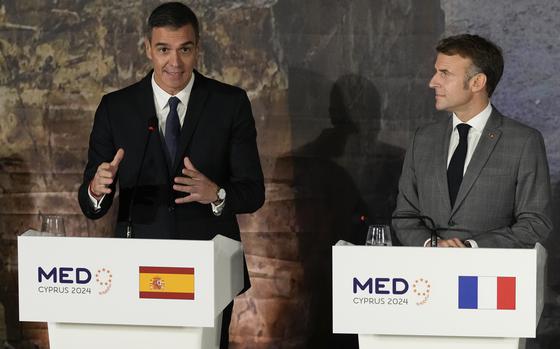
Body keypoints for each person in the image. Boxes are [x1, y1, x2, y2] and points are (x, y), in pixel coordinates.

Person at [77, 2, 265, 347]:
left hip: (210, 269)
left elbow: (253, 192)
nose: (174, 63)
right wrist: (97, 187)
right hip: (138, 270)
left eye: (184, 50)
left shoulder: (230, 103)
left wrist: (218, 195)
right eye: (163, 49)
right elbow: (91, 202)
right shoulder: (116, 108)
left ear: (198, 49)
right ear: (148, 49)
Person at [392, 34, 552, 248]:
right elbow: (405, 215)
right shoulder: (423, 139)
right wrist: (432, 244)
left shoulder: (523, 142)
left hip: (489, 276)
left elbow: (535, 223)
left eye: (444, 74)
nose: (432, 82)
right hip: (426, 275)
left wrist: (471, 247)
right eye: (436, 72)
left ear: (477, 82)